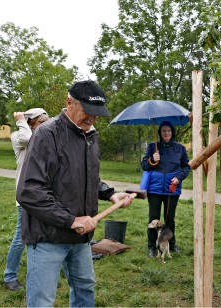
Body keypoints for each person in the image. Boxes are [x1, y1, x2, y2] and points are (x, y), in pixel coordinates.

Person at [16, 80, 134, 307]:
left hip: (80, 238)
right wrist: (70, 220)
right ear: (69, 103)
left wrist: (110, 194)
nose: (93, 118)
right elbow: (30, 190)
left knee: (84, 289)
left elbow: (86, 177)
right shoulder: (47, 134)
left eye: (97, 114)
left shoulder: (90, 135)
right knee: (42, 301)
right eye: (88, 112)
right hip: (48, 236)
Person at [4, 108, 49, 291]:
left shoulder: (45, 137)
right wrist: (21, 120)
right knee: (21, 237)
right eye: (41, 122)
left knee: (44, 237)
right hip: (26, 196)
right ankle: (9, 276)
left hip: (44, 196)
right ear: (30, 123)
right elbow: (29, 138)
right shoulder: (19, 136)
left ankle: (40, 272)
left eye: (48, 121)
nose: (46, 125)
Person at [141, 120, 191, 258]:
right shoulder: (153, 147)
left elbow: (186, 166)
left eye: (169, 130)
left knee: (170, 219)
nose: (166, 133)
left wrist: (179, 177)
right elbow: (144, 165)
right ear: (160, 132)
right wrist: (152, 159)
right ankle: (152, 247)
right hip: (155, 189)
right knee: (153, 218)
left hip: (172, 189)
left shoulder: (180, 148)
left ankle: (171, 244)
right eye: (163, 130)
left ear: (172, 132)